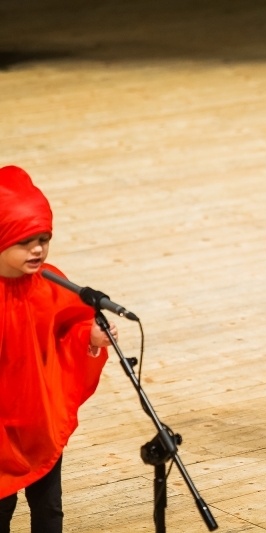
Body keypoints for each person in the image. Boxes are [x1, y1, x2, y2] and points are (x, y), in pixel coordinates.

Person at [0, 165, 117, 532]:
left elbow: (72, 325)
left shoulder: (50, 281)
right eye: (25, 242)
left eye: (44, 238)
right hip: (1, 432)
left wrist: (91, 338)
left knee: (49, 513)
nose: (37, 249)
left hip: (40, 423)